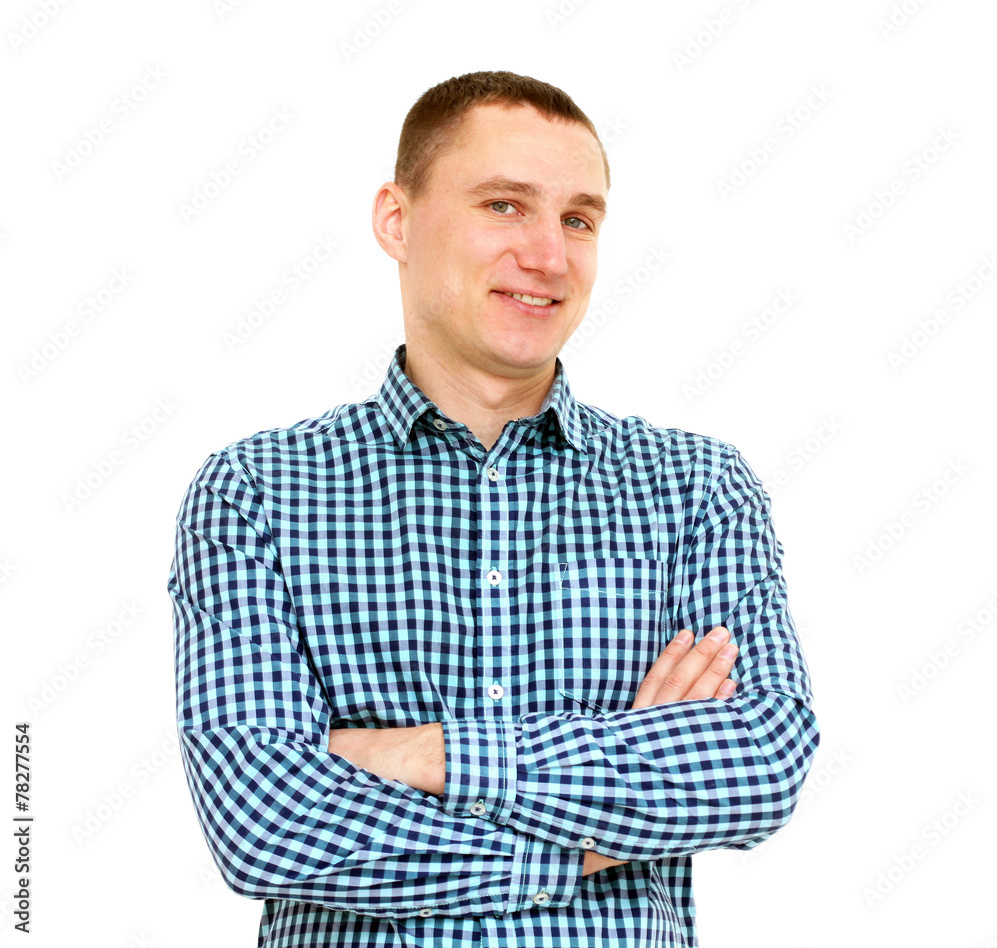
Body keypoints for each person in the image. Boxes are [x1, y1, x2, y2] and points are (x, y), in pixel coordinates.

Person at [168, 70, 819, 948]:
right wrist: (595, 828)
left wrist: (416, 753)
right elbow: (267, 827)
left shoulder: (697, 488)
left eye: (578, 219)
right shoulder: (256, 493)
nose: (549, 256)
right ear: (396, 220)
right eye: (505, 205)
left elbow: (759, 762)